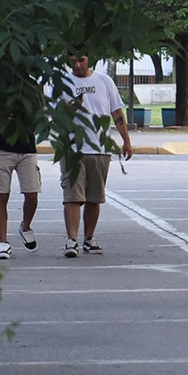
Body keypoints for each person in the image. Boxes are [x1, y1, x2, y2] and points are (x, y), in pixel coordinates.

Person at [60, 54, 133, 258]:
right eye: (73, 60)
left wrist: (126, 141)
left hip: (99, 148)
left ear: (89, 59)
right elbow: (54, 116)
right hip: (73, 149)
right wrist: (70, 107)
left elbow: (116, 112)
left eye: (82, 60)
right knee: (73, 197)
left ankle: (89, 238)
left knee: (94, 197)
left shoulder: (104, 81)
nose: (78, 64)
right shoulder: (63, 83)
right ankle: (71, 240)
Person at [0, 119, 40, 259]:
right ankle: (3, 242)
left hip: (26, 148)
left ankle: (25, 227)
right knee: (1, 196)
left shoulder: (31, 96)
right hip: (1, 147)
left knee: (32, 194)